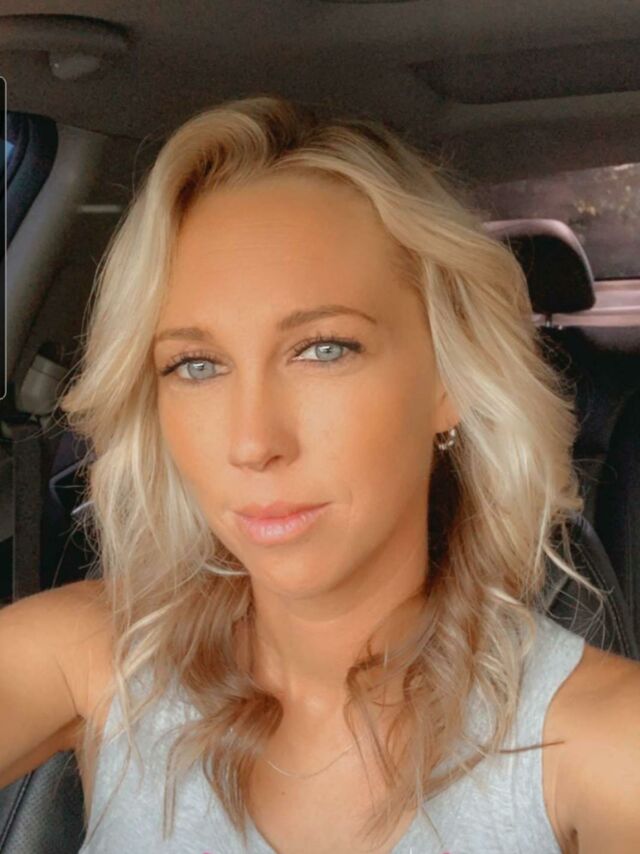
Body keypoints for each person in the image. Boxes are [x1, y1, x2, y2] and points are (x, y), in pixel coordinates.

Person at [1, 93, 639, 854]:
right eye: (196, 365)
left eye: (323, 349)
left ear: (449, 381)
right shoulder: (92, 655)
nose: (252, 442)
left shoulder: (602, 744)